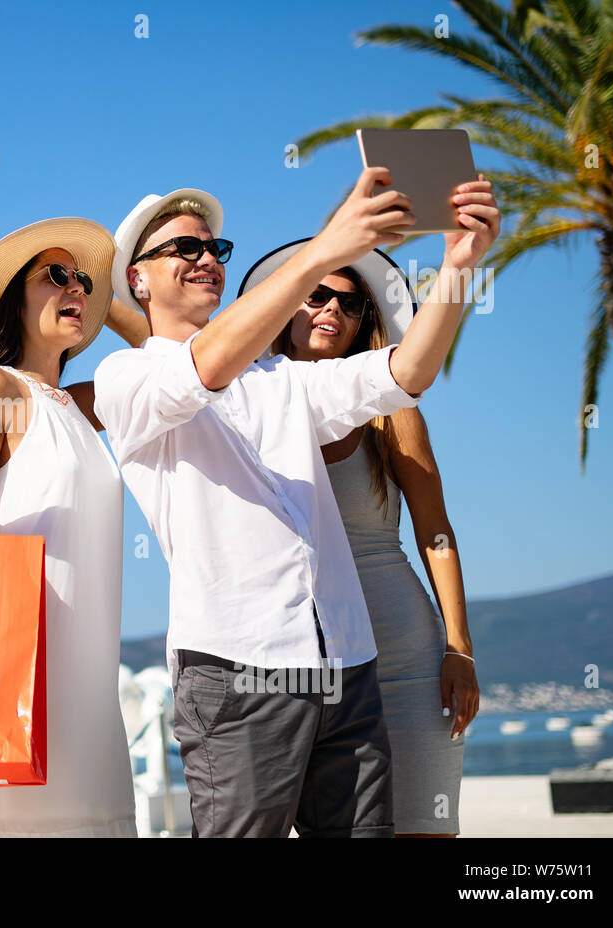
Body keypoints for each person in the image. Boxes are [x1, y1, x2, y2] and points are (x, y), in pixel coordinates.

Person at [92, 169, 499, 837]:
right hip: (238, 671)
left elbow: (409, 372)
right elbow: (205, 368)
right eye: (183, 249)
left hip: (349, 664)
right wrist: (325, 249)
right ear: (137, 280)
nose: (205, 258)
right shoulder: (126, 377)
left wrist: (459, 266)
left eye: (213, 249)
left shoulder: (281, 381)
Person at [239, 239, 480, 836]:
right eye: (316, 294)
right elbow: (158, 353)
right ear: (285, 305)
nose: (332, 311)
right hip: (299, 663)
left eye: (351, 306)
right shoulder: (242, 403)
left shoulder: (388, 411)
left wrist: (459, 647)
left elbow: (436, 532)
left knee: (426, 827)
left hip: (404, 657)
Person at [0, 217, 146, 837]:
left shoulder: (82, 404)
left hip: (89, 687)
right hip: (20, 677)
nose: (74, 288)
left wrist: (93, 297)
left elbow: (167, 362)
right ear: (11, 300)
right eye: (55, 275)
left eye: (82, 279)